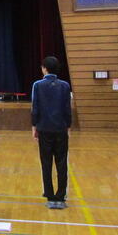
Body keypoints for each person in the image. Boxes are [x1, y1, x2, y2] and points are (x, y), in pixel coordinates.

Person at [31, 56, 72, 210]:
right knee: (62, 163)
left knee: (46, 162)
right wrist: (68, 126)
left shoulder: (37, 85)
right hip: (60, 129)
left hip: (44, 129)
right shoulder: (65, 85)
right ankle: (61, 195)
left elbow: (35, 107)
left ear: (44, 68)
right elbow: (67, 108)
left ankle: (49, 194)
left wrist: (34, 126)